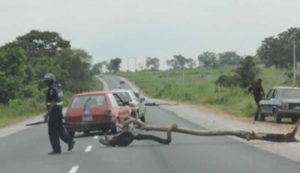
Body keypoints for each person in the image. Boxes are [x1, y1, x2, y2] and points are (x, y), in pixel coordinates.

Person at [44, 73, 75, 155]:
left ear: (51, 81)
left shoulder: (51, 90)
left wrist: (47, 114)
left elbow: (53, 102)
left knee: (52, 131)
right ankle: (70, 141)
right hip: (59, 112)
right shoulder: (58, 88)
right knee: (60, 129)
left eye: (47, 81)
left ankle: (57, 149)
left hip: (54, 112)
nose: (46, 82)